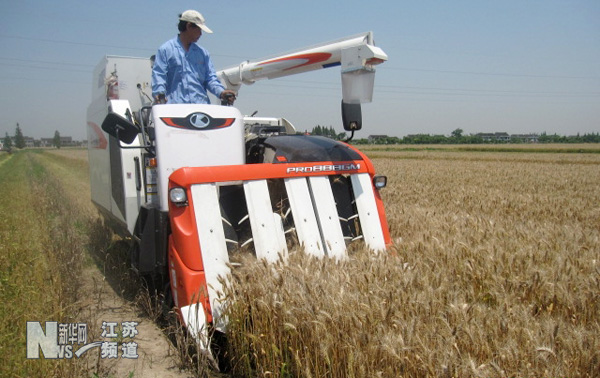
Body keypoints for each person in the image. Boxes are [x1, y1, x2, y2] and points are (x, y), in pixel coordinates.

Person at [151, 10, 236, 105]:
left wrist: (221, 92)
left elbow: (210, 79)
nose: (201, 33)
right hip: (175, 109)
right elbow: (159, 75)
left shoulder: (203, 53)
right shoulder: (166, 50)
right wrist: (159, 94)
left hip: (201, 107)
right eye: (199, 29)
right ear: (188, 26)